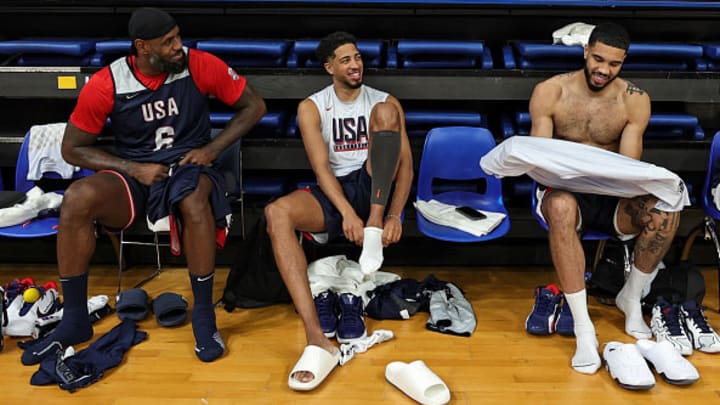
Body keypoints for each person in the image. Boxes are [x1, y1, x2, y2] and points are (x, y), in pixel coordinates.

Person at [20, 7, 266, 365]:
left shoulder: (199, 65)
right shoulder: (108, 82)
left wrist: (211, 149)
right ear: (142, 47)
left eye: (178, 37)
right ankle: (74, 321)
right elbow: (72, 149)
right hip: (138, 172)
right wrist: (133, 168)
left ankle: (203, 316)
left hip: (188, 166)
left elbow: (254, 106)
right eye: (168, 42)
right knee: (78, 197)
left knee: (196, 200)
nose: (178, 46)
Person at [264, 31, 413, 390]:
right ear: (329, 67)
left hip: (374, 182)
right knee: (276, 213)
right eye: (345, 59)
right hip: (336, 191)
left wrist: (391, 215)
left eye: (358, 57)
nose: (355, 64)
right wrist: (346, 212)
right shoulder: (312, 106)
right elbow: (321, 170)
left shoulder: (384, 101)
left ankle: (373, 229)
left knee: (384, 113)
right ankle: (315, 333)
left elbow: (405, 166)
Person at [528, 23, 680, 374]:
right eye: (598, 59)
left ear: (623, 62)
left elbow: (627, 168)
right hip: (563, 189)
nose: (603, 70)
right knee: (562, 206)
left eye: (614, 64)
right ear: (585, 51)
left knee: (666, 209)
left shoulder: (634, 99)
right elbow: (541, 164)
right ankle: (583, 327)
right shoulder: (551, 92)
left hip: (613, 193)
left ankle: (631, 297)